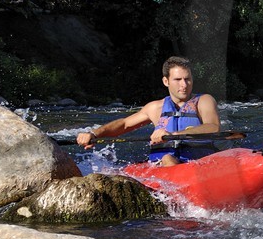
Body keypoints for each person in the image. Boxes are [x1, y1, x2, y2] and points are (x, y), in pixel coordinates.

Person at [76, 56, 220, 165]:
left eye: (187, 79)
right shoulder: (155, 108)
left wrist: (174, 134)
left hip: (198, 162)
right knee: (167, 158)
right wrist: (94, 133)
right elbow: (125, 124)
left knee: (168, 159)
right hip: (164, 163)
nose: (184, 84)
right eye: (178, 79)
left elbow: (213, 127)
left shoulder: (204, 101)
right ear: (166, 81)